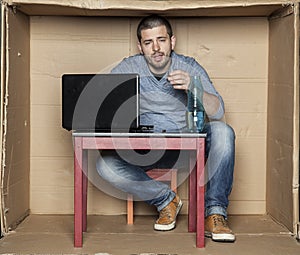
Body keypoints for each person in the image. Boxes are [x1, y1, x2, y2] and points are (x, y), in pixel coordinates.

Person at [96, 14, 236, 242]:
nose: (156, 48)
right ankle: (166, 200)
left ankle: (215, 213)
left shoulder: (189, 66)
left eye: (161, 40)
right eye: (149, 42)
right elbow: (104, 105)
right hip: (142, 151)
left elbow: (218, 112)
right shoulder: (128, 67)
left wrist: (194, 86)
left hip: (185, 150)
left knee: (223, 131)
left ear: (172, 41)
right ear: (140, 47)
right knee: (104, 166)